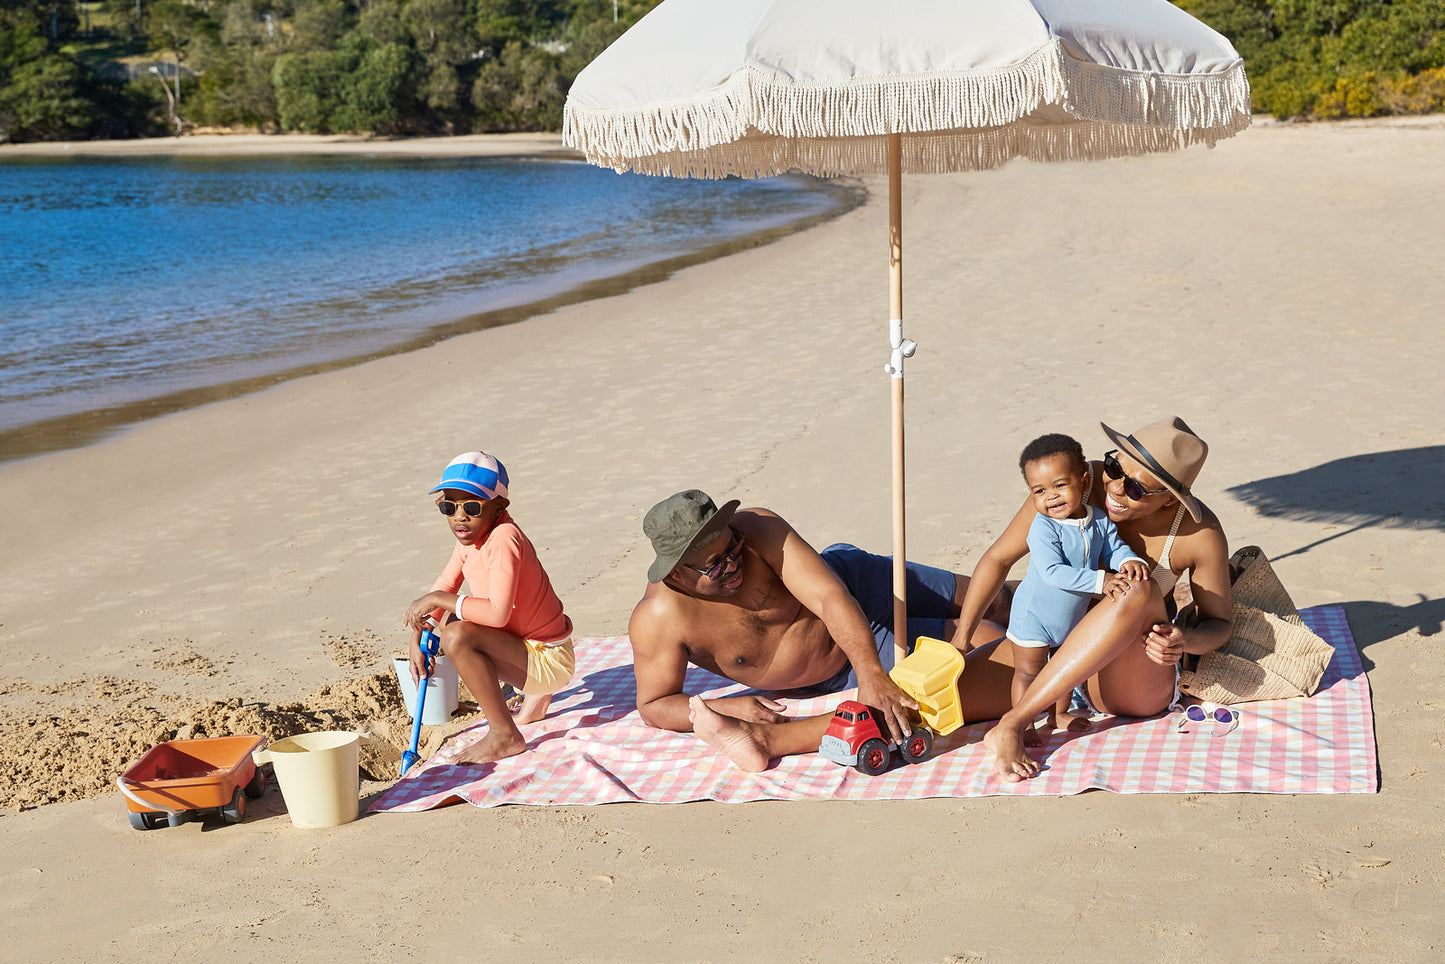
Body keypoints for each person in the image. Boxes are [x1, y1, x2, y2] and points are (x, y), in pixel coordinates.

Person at [627, 490, 1015, 771]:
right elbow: (653, 705)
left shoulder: (758, 528)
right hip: (839, 661)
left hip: (858, 583)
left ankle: (1073, 600)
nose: (732, 566)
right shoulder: (658, 619)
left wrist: (872, 676)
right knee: (988, 639)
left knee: (999, 600)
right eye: (715, 567)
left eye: (734, 550)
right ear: (676, 572)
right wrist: (720, 706)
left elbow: (830, 597)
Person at [954, 416, 1234, 782]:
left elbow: (1221, 625)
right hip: (1058, 647)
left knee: (1138, 586)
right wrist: (961, 638)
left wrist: (1185, 641)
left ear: (1168, 499)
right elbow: (999, 558)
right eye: (1115, 466)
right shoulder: (1072, 482)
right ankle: (1035, 702)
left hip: (1129, 675)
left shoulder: (1200, 534)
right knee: (943, 701)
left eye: (1135, 489)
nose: (1116, 488)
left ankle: (1013, 724)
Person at [403, 451, 575, 766]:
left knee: (456, 636)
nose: (459, 516)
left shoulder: (505, 538)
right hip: (528, 649)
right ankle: (535, 696)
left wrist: (437, 601)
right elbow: (445, 586)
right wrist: (416, 638)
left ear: (499, 507)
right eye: (448, 506)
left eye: (471, 506)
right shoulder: (469, 541)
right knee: (453, 618)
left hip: (550, 659)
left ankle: (504, 735)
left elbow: (496, 614)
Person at [1005, 433, 1150, 741]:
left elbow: (1113, 548)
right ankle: (1024, 723)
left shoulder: (1098, 519)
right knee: (1029, 673)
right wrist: (1103, 580)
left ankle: (1057, 715)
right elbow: (1052, 572)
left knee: (1064, 667)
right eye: (1039, 490)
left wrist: (1128, 561)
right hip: (1034, 615)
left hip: (1069, 616)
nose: (1051, 497)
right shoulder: (1042, 527)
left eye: (1060, 485)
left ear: (1084, 481)